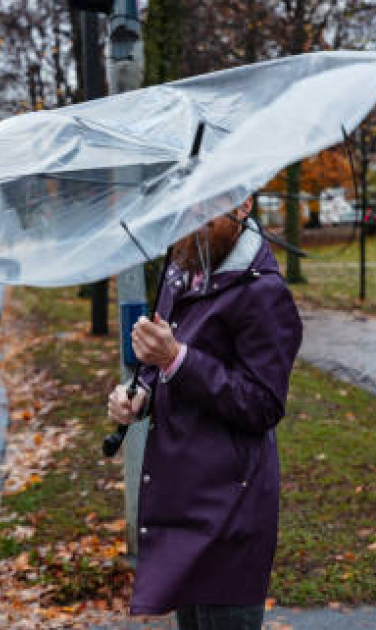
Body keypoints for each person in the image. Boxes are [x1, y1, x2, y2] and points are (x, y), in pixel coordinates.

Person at [107, 196, 303, 630]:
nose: (192, 219)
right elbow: (165, 369)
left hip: (230, 507)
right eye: (186, 205)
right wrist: (139, 396)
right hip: (182, 498)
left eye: (208, 207)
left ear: (244, 205)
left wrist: (178, 359)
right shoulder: (181, 273)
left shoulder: (262, 293)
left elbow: (262, 403)